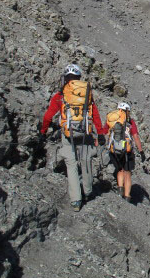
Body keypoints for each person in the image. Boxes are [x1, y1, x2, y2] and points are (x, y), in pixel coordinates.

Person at [40, 64, 103, 211]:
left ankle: (76, 201)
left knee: (71, 164)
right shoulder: (87, 93)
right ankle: (87, 191)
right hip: (85, 132)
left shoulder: (61, 95)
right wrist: (100, 133)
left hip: (68, 134)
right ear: (79, 78)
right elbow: (95, 115)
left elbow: (48, 115)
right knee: (85, 160)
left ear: (65, 78)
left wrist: (43, 131)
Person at [101, 102, 145, 203]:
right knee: (127, 173)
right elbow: (135, 137)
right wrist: (141, 151)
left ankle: (120, 189)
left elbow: (104, 131)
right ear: (127, 111)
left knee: (119, 170)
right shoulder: (130, 121)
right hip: (127, 151)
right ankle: (127, 196)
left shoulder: (112, 118)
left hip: (114, 150)